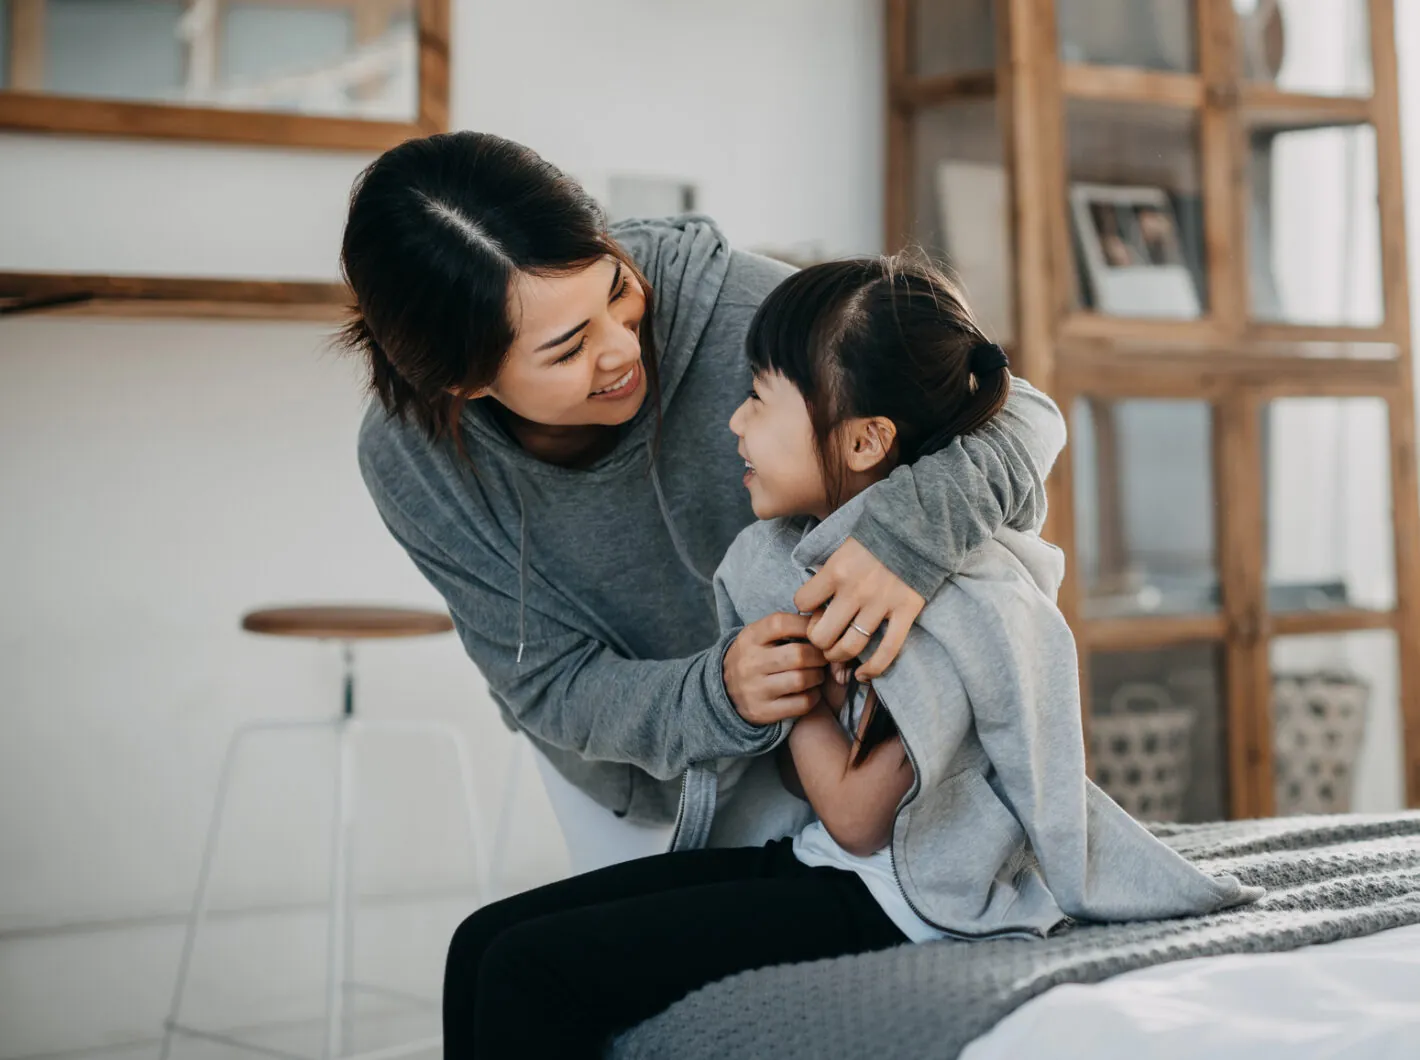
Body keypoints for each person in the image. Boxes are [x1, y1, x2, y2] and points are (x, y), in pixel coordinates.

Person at [440, 256, 1257, 1059]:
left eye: (758, 399)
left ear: (865, 439)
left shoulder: (938, 603)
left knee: (524, 970)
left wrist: (792, 700)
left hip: (902, 897)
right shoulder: (807, 559)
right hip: (830, 865)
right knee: (481, 941)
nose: (734, 424)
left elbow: (861, 818)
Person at [344, 131, 1066, 858]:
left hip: (848, 751)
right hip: (633, 784)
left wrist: (905, 540)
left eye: (617, 288)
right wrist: (718, 695)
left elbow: (1023, 416)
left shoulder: (739, 306)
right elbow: (548, 684)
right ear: (463, 383)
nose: (623, 348)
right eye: (567, 349)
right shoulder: (412, 462)